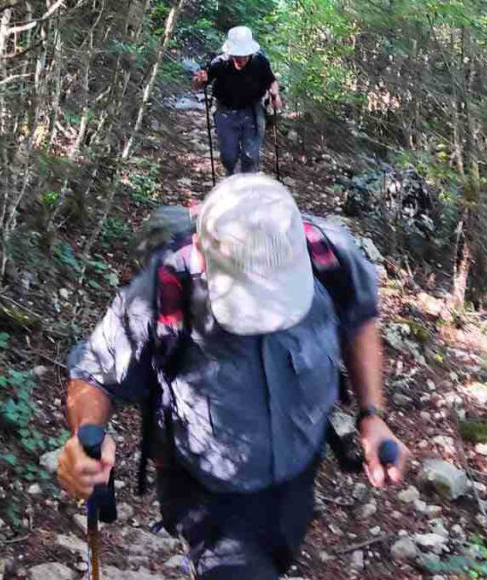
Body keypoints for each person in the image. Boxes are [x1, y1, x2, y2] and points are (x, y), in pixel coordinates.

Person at [57, 174, 411, 579]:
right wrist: (86, 435)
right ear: (203, 258)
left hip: (299, 465)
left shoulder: (329, 255)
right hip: (209, 492)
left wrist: (371, 415)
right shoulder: (163, 290)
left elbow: (361, 317)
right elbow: (95, 373)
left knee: (279, 552)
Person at [192, 26, 282, 176]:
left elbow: (271, 81)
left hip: (252, 110)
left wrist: (275, 95)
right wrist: (199, 80)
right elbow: (198, 84)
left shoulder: (260, 62)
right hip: (225, 110)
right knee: (228, 157)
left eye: (244, 55)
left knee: (250, 156)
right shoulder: (219, 63)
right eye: (237, 55)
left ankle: (247, 187)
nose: (241, 59)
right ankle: (231, 177)